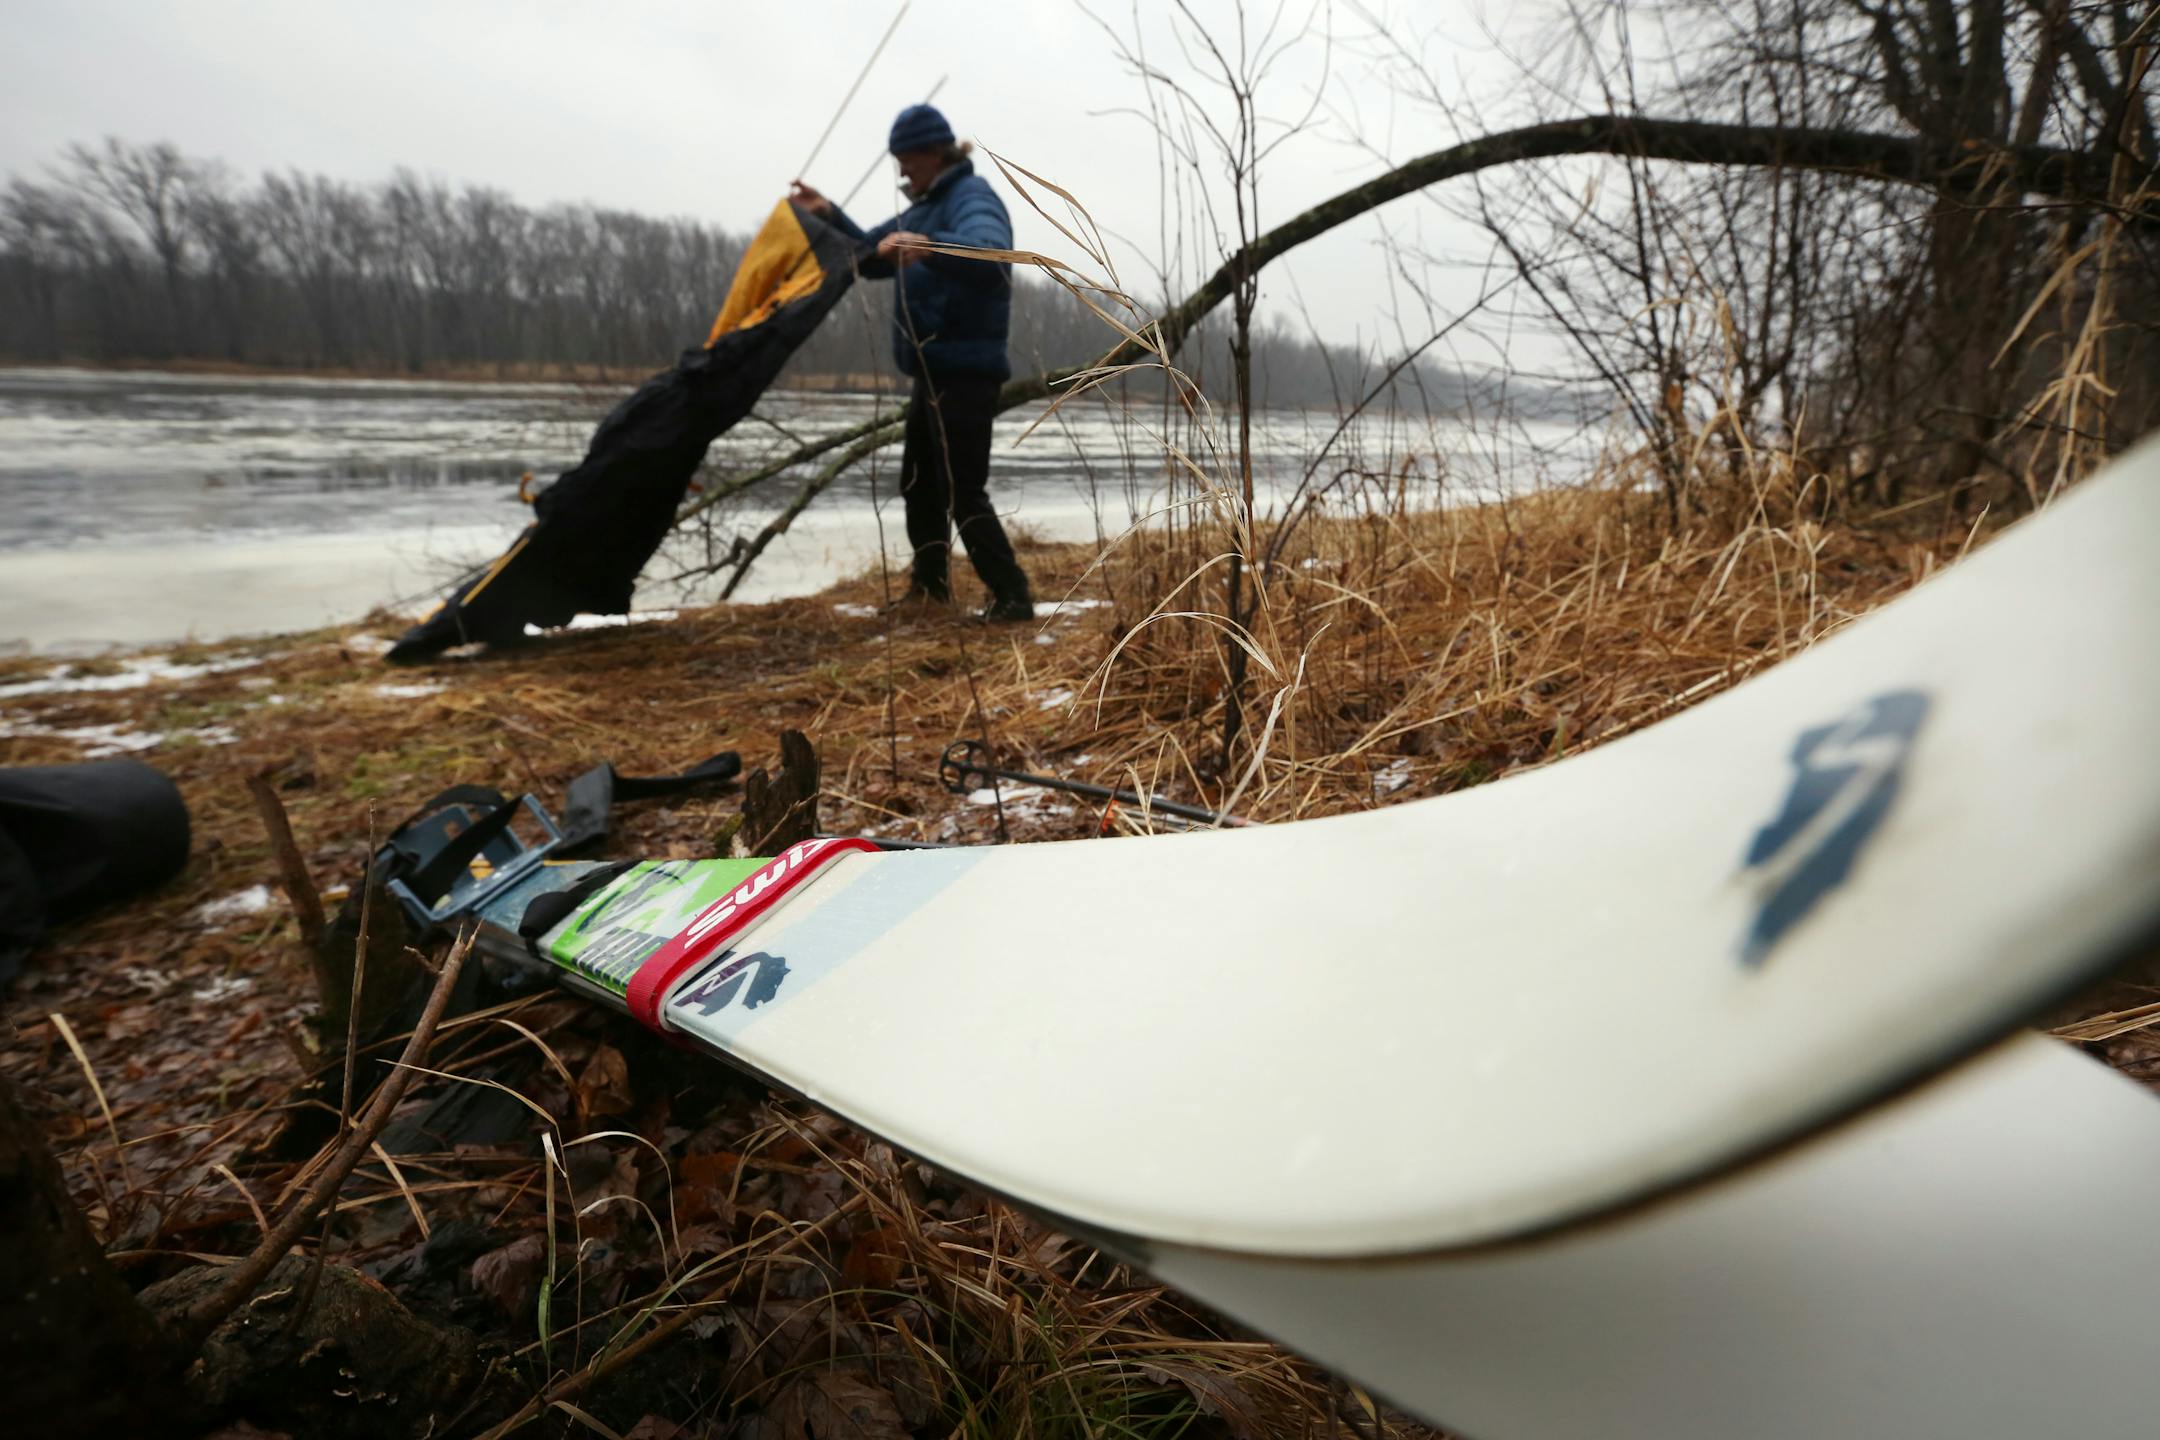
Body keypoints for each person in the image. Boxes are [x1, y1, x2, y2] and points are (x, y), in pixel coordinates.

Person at [791, 104, 1034, 621]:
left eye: (906, 160)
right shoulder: (924, 206)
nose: (901, 171)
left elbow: (992, 255)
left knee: (962, 490)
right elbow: (872, 253)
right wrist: (828, 213)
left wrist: (931, 246)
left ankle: (1013, 596)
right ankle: (930, 590)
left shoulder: (971, 198)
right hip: (932, 373)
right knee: (920, 485)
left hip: (967, 372)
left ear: (932, 152)